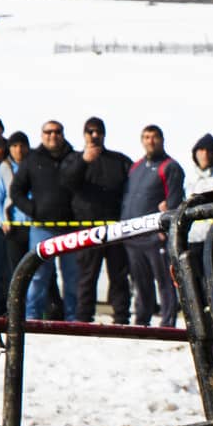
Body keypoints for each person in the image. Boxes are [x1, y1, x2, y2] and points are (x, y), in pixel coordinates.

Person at [62, 117, 133, 324]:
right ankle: (84, 317)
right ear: (84, 134)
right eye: (90, 131)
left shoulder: (119, 160)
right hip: (87, 226)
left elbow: (131, 188)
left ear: (104, 134)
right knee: (87, 276)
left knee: (119, 275)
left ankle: (121, 317)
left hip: (114, 226)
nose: (94, 135)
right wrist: (84, 161)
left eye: (98, 132)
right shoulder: (73, 159)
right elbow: (66, 182)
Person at [11, 120, 80, 322]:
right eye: (48, 132)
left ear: (63, 134)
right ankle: (32, 315)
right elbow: (16, 191)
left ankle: (72, 317)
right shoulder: (32, 159)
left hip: (70, 228)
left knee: (72, 276)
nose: (53, 136)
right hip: (42, 228)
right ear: (42, 135)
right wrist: (33, 210)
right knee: (38, 275)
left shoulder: (74, 158)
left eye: (57, 132)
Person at [123, 123, 184, 327]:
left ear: (162, 139)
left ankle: (167, 322)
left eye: (154, 137)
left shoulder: (170, 166)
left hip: (155, 236)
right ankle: (142, 319)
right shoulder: (136, 167)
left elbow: (174, 201)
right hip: (134, 236)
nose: (151, 141)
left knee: (165, 282)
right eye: (147, 137)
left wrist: (165, 230)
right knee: (141, 283)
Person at [0, 131, 31, 306]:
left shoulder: (33, 165)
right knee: (15, 271)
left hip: (33, 224)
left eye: (22, 145)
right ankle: (15, 306)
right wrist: (1, 220)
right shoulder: (5, 167)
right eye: (14, 146)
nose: (19, 150)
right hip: (13, 225)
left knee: (39, 270)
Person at [185, 133, 213, 258]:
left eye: (209, 151)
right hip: (192, 239)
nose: (205, 154)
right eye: (201, 150)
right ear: (195, 153)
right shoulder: (189, 179)